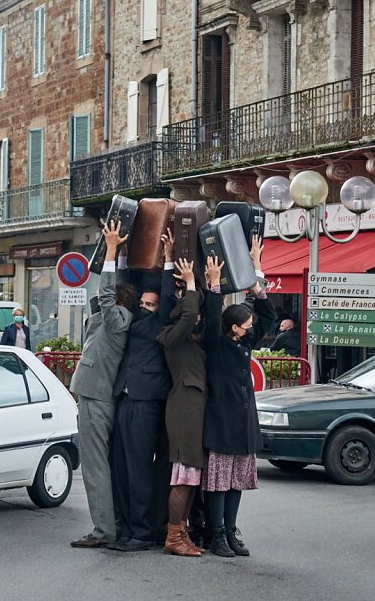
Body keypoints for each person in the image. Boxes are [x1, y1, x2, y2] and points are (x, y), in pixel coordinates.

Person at [201, 237, 274, 558]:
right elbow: (211, 312)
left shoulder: (245, 342)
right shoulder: (216, 341)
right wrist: (214, 285)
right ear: (232, 328)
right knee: (218, 482)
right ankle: (215, 533)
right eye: (245, 325)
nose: (251, 328)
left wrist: (257, 277)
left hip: (243, 421)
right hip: (220, 419)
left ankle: (231, 532)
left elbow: (268, 318)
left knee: (237, 481)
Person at [68, 220, 136, 549]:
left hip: (96, 396)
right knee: (102, 466)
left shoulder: (117, 318)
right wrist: (119, 252)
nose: (98, 296)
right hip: (97, 394)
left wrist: (110, 250)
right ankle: (110, 524)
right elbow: (106, 296)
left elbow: (106, 294)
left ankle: (103, 531)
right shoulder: (113, 319)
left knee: (95, 468)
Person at [109, 231, 176, 552]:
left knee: (138, 469)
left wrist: (169, 256)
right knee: (121, 467)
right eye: (144, 303)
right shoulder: (132, 317)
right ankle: (125, 527)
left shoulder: (161, 321)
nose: (147, 307)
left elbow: (168, 294)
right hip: (123, 397)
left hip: (146, 402)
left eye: (153, 304)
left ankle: (143, 532)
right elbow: (123, 291)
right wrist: (119, 251)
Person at [156, 257, 206, 557]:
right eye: (194, 314)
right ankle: (174, 536)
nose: (198, 318)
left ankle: (181, 533)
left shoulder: (193, 340)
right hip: (183, 411)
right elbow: (187, 317)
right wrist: (189, 284)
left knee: (191, 477)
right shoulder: (171, 335)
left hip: (192, 411)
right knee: (184, 475)